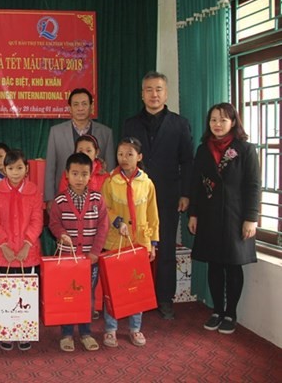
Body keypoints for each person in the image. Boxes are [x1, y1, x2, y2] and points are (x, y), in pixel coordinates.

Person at [123, 71, 194, 320]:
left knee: (164, 248)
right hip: (136, 197)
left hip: (168, 196)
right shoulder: (130, 124)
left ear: (166, 92)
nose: (154, 94)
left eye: (159, 89)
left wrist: (185, 194)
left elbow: (187, 162)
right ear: (141, 94)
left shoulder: (180, 123)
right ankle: (133, 297)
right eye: (149, 90)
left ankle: (165, 298)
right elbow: (124, 159)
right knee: (135, 249)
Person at [188, 103, 261, 335]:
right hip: (209, 216)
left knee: (233, 264)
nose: (217, 124)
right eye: (213, 120)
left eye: (223, 120)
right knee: (214, 263)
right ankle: (217, 310)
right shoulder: (202, 149)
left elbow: (253, 185)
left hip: (235, 216)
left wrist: (251, 218)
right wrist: (194, 213)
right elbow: (197, 185)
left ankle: (231, 313)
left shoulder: (246, 149)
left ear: (233, 122)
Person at [101, 138, 159, 348]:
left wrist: (153, 243)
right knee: (113, 287)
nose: (124, 159)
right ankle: (111, 329)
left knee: (136, 286)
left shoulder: (147, 183)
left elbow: (153, 215)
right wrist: (118, 221)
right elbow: (104, 207)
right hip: (116, 241)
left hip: (139, 241)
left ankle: (135, 328)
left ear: (139, 157)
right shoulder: (109, 181)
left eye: (129, 154)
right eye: (120, 154)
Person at [48, 153, 108, 353]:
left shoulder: (97, 199)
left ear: (91, 175)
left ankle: (85, 332)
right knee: (68, 296)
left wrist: (95, 252)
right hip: (67, 260)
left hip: (90, 260)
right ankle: (66, 333)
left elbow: (103, 226)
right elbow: (54, 223)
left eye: (84, 174)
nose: (79, 178)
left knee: (87, 297)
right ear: (67, 175)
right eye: (75, 173)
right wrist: (62, 234)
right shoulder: (60, 201)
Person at [0, 149, 44, 352]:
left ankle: (24, 331)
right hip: (3, 252)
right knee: (5, 293)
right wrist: (3, 244)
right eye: (11, 168)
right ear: (4, 169)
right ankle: (7, 331)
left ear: (27, 169)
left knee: (25, 293)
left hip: (28, 252)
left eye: (20, 168)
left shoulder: (34, 190)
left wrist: (27, 244)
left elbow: (37, 220)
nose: (16, 172)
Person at [45, 88, 115, 205]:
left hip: (97, 200)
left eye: (84, 104)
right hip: (64, 197)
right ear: (70, 108)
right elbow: (50, 168)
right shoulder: (56, 132)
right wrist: (49, 199)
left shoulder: (105, 133)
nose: (80, 108)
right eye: (76, 104)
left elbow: (111, 169)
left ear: (91, 107)